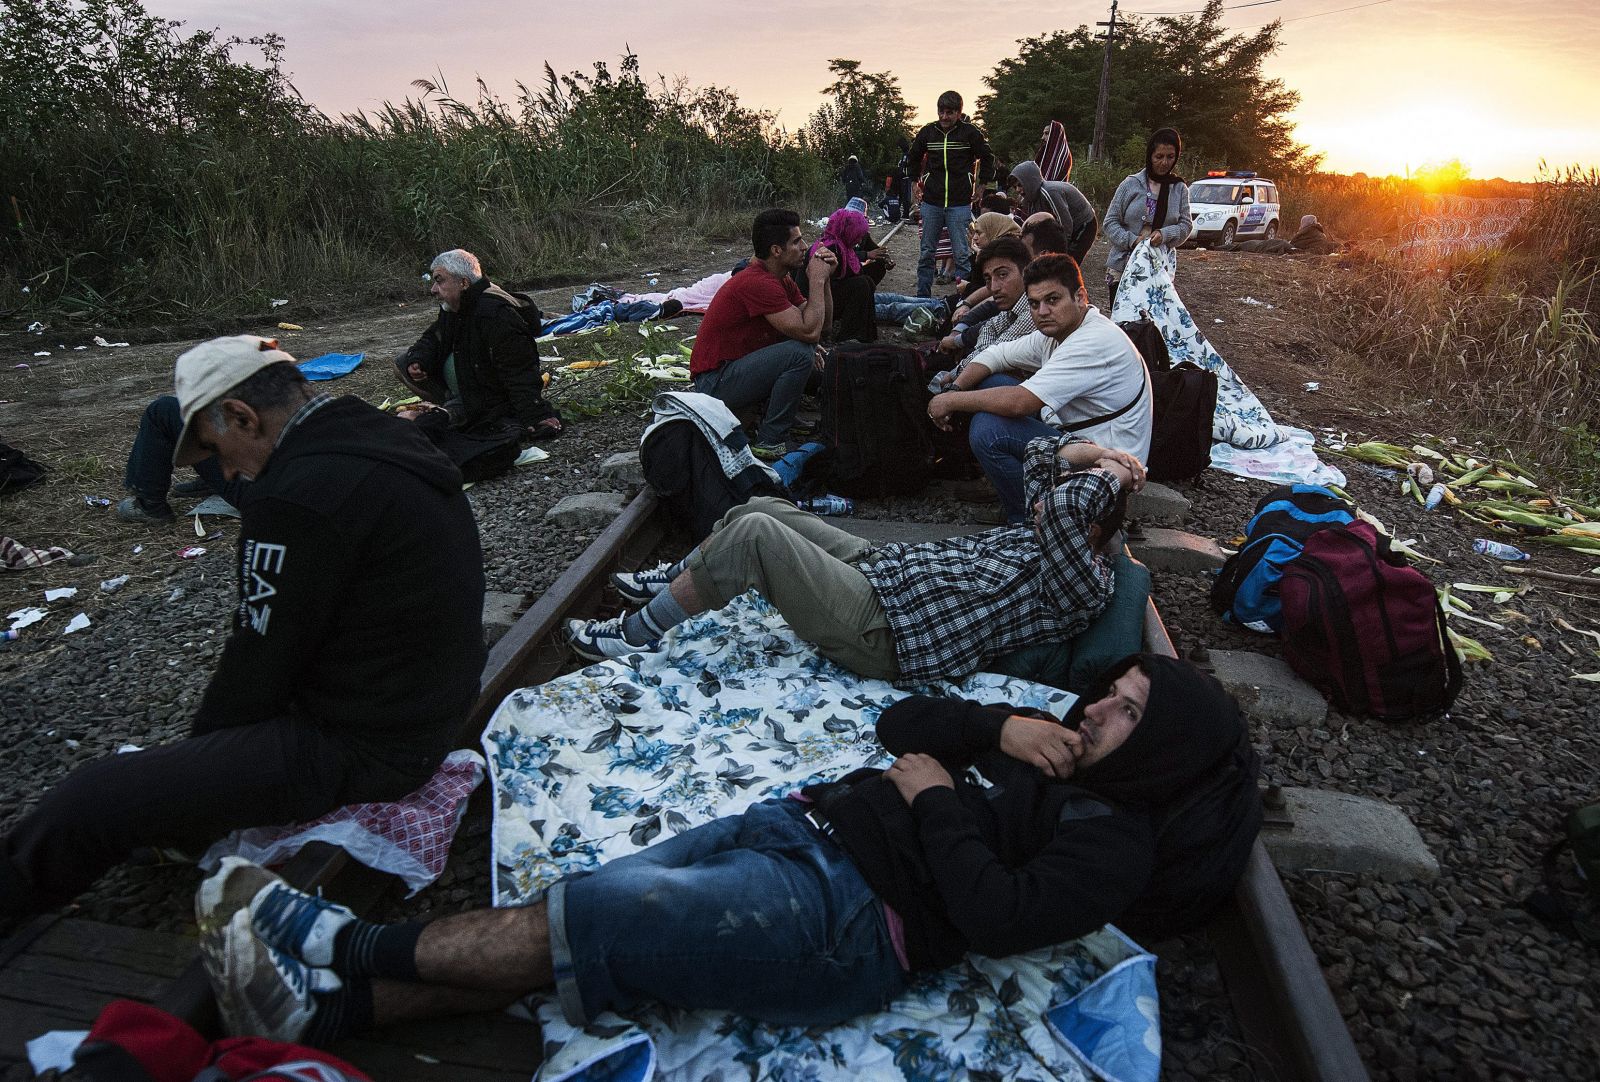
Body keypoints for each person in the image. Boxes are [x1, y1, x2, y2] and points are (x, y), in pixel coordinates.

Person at [196, 651, 1262, 1045]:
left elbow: (991, 912)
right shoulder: (1050, 748)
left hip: (847, 921)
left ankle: (343, 940)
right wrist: (989, 729)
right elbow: (900, 727)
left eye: (1121, 710)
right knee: (585, 913)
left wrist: (938, 796)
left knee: (606, 921)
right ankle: (327, 1011)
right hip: (802, 823)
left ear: (1158, 753)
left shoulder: (1110, 843)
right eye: (1107, 690)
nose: (1090, 707)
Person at [0, 337, 487, 920]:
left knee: (90, 797)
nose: (225, 471)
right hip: (429, 703)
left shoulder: (295, 497)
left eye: (216, 449)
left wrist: (201, 780)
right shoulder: (382, 437)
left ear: (241, 416)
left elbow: (257, 660)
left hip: (371, 742)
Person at [568, 434, 1139, 680]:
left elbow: (1063, 502)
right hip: (885, 569)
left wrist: (1115, 473)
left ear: (1089, 527)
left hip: (887, 629)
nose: (1037, 509)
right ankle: (678, 581)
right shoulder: (1059, 538)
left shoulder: (1082, 580)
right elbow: (1042, 455)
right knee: (760, 507)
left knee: (757, 537)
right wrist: (1104, 452)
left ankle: (639, 633)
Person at [929, 256, 1152, 525]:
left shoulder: (1093, 341)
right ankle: (1015, 491)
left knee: (989, 429)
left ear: (1080, 297)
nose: (1042, 311)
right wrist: (955, 387)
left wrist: (951, 400)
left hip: (1108, 461)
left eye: (1053, 300)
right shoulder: (1060, 330)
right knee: (991, 381)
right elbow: (995, 354)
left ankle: (1024, 520)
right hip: (1075, 435)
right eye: (1034, 304)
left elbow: (1021, 403)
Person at [690, 209, 835, 459]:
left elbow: (822, 326)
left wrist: (826, 280)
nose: (805, 247)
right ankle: (771, 440)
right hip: (715, 382)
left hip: (736, 370)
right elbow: (810, 332)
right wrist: (816, 281)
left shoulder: (780, 278)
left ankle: (769, 419)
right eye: (796, 241)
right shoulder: (757, 282)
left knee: (812, 356)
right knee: (800, 352)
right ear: (776, 250)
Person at [394, 249, 565, 442]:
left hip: (486, 400)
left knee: (413, 426)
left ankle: (458, 412)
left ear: (464, 283)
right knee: (403, 361)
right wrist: (418, 359)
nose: (433, 289)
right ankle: (451, 404)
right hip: (468, 385)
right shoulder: (455, 307)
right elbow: (434, 337)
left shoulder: (494, 314)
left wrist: (534, 415)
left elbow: (519, 369)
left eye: (440, 280)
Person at [908, 91, 994, 296]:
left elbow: (987, 157)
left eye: (949, 112)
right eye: (941, 112)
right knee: (927, 252)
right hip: (932, 202)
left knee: (962, 254)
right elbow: (913, 156)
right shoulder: (928, 132)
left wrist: (981, 186)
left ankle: (963, 299)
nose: (944, 117)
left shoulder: (970, 133)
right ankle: (922, 298)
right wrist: (914, 182)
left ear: (958, 113)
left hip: (960, 203)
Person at [116, 395, 249, 524]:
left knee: (163, 411)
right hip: (259, 482)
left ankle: (148, 504)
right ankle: (213, 479)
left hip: (258, 493)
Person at [1103, 127, 1194, 310]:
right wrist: (1132, 240)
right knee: (1124, 324)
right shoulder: (1131, 184)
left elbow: (1185, 225)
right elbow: (1110, 222)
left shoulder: (1178, 189)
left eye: (1170, 157)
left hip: (1159, 269)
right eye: (1159, 156)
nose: (1164, 162)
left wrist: (1165, 234)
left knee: (1152, 326)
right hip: (1123, 266)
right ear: (1150, 155)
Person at [932, 237, 1039, 375]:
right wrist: (958, 340)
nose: (994, 287)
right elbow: (989, 327)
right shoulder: (1013, 305)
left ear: (1025, 272)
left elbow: (990, 356)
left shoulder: (1033, 310)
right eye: (988, 279)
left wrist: (954, 375)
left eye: (1002, 275)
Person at [801, 207, 880, 343]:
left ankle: (864, 332)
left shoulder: (842, 247)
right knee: (861, 285)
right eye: (858, 235)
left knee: (867, 281)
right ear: (849, 232)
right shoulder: (832, 248)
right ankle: (850, 335)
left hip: (827, 297)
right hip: (814, 305)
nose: (860, 240)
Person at [1007, 161, 1098, 265]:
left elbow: (1065, 223)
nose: (1018, 189)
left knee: (1068, 261)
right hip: (1067, 227)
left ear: (1030, 181)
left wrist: (1060, 249)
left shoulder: (1050, 192)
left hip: (1084, 224)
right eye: (1015, 187)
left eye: (1020, 185)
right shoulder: (1029, 200)